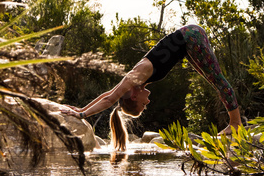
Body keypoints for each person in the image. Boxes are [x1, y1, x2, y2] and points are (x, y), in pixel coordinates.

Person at [61, 25, 242, 151]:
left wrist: (82, 115)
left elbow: (110, 99)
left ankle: (235, 123)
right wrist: (81, 109)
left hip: (190, 37)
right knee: (215, 82)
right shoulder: (135, 82)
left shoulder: (137, 76)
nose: (148, 101)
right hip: (190, 40)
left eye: (143, 105)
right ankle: (234, 123)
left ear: (133, 98)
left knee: (217, 81)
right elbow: (108, 95)